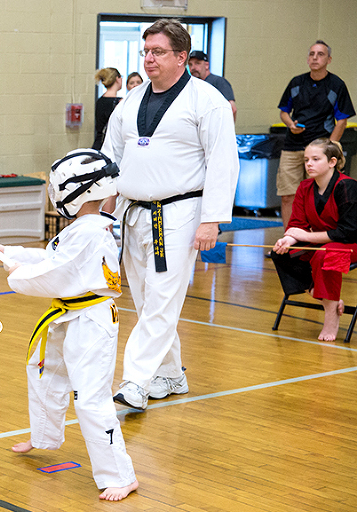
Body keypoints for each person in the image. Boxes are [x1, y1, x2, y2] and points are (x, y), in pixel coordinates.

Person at [101, 18, 239, 410]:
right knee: (148, 301)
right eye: (145, 51)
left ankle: (135, 382)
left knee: (161, 299)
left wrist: (212, 219)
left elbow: (223, 162)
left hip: (180, 213)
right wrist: (103, 213)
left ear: (182, 56)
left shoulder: (206, 100)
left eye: (158, 52)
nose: (148, 59)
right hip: (132, 212)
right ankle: (172, 373)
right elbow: (112, 157)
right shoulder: (129, 101)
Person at [0, 149, 138, 502]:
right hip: (68, 316)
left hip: (91, 321)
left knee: (91, 400)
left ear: (76, 193)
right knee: (43, 373)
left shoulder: (93, 232)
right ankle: (44, 437)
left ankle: (120, 475)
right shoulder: (82, 228)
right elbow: (52, 257)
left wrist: (18, 273)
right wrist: (14, 254)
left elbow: (57, 272)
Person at [271, 139, 357, 341]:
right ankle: (329, 300)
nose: (309, 163)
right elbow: (297, 224)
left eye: (316, 159)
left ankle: (331, 317)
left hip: (350, 244)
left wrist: (306, 237)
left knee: (324, 256)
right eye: (306, 159)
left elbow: (348, 232)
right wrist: (288, 240)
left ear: (332, 162)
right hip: (322, 242)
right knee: (280, 254)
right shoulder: (304, 187)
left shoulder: (347, 186)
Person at [277, 40, 355, 229]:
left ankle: (314, 239)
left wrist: (329, 147)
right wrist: (290, 124)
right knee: (288, 195)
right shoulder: (296, 82)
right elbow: (284, 112)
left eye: (320, 54)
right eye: (312, 54)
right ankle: (290, 241)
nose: (315, 57)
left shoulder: (337, 85)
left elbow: (342, 120)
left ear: (329, 59)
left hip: (320, 146)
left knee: (316, 195)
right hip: (293, 145)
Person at [187, 50, 237, 121]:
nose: (193, 68)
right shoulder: (192, 85)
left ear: (206, 65)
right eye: (190, 64)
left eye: (197, 63)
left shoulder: (218, 82)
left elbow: (232, 109)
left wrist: (226, 130)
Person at [92, 68, 123, 150]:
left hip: (98, 144)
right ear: (117, 79)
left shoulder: (100, 101)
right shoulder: (119, 102)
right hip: (111, 146)